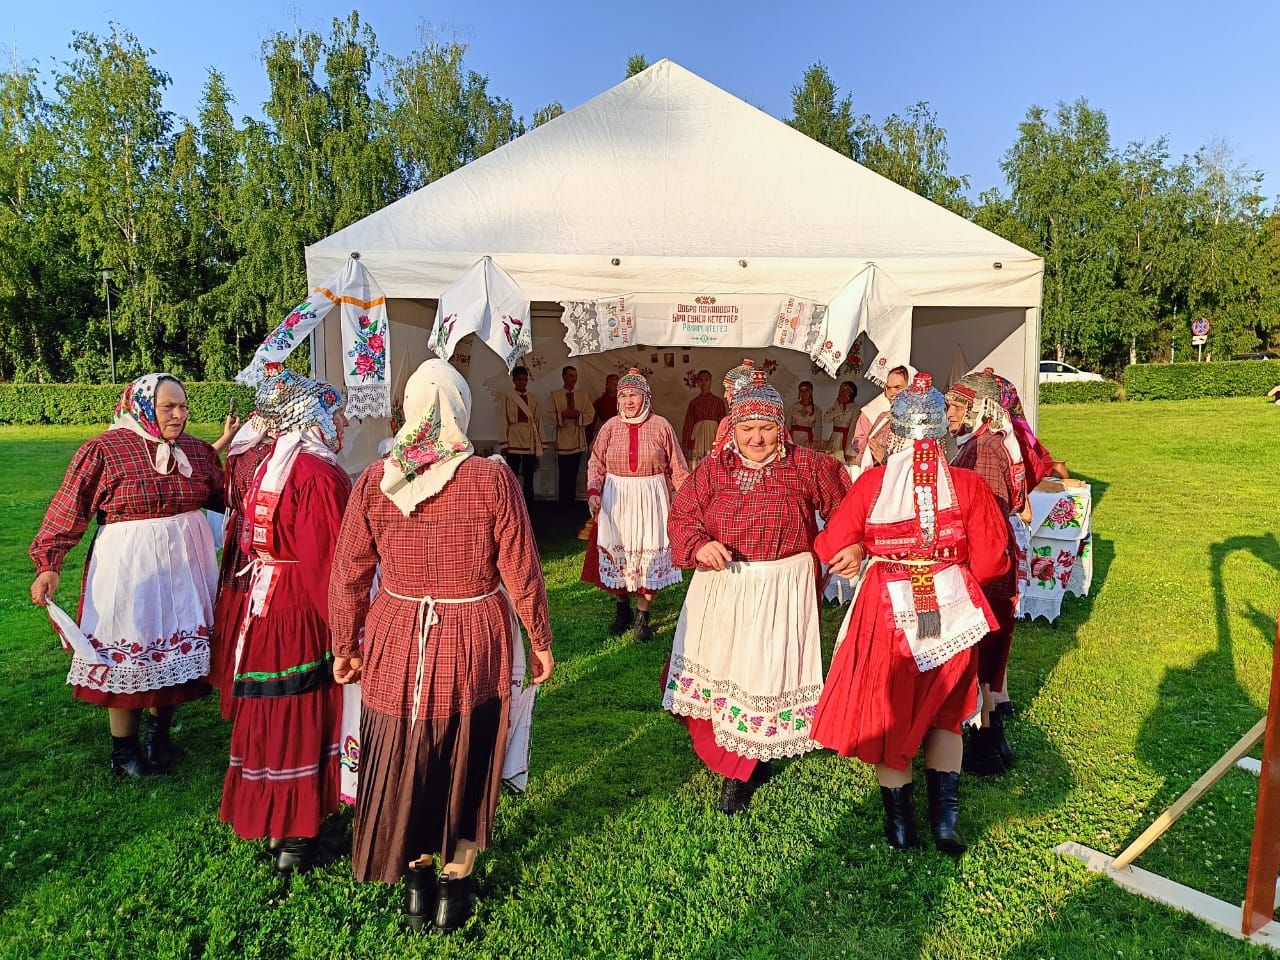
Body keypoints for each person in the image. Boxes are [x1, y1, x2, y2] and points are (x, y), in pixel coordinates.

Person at [329, 358, 554, 933]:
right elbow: (521, 568)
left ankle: (417, 877)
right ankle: (455, 881)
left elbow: (348, 572)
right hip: (471, 634)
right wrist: (540, 637)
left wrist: (344, 642)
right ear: (459, 410)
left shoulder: (377, 479)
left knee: (407, 748)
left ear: (409, 410)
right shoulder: (490, 478)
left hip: (395, 634)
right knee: (468, 745)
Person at [812, 374, 1011, 855]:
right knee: (947, 713)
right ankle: (945, 823)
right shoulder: (967, 485)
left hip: (887, 610)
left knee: (892, 710)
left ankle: (900, 828)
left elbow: (828, 544)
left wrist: (865, 547)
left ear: (895, 435)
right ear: (944, 434)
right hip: (949, 606)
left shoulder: (874, 485)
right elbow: (992, 563)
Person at [29, 374, 235, 776]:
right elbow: (70, 507)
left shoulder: (194, 449)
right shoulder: (104, 450)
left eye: (183, 406)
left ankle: (160, 735)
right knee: (130, 651)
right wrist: (49, 563)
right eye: (168, 407)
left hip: (185, 567)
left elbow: (224, 496)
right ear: (141, 406)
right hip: (130, 567)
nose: (178, 415)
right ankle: (123, 753)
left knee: (172, 647)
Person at [665, 371, 851, 814]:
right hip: (723, 584)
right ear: (734, 427)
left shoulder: (808, 465)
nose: (757, 439)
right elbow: (683, 516)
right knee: (725, 667)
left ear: (781, 427)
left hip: (781, 586)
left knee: (763, 672)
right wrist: (698, 544)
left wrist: (850, 544)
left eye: (766, 428)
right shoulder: (712, 469)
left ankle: (742, 769)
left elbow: (845, 508)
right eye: (747, 429)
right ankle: (738, 757)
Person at [220, 368, 351, 874]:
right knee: (300, 710)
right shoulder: (316, 475)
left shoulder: (276, 463)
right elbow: (327, 561)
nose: (340, 423)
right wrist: (346, 625)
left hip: (268, 604)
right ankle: (298, 837)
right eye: (332, 411)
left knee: (272, 710)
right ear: (309, 413)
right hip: (300, 607)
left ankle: (280, 825)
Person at [945, 371, 1024, 775]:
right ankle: (992, 743)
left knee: (983, 647)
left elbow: (986, 516)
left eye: (957, 405)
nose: (949, 413)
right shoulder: (982, 444)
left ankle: (987, 747)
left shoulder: (986, 451)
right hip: (990, 556)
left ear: (980, 409)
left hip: (987, 560)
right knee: (987, 650)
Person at [583, 368, 690, 643]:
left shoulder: (661, 426)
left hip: (651, 498)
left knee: (648, 556)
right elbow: (596, 462)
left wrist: (687, 499)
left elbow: (678, 466)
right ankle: (622, 609)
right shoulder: (609, 427)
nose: (629, 401)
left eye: (635, 395)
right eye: (625, 395)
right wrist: (594, 490)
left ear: (646, 397)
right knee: (619, 553)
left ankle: (643, 615)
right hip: (617, 498)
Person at [210, 410, 275, 719]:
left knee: (241, 611)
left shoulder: (244, 446)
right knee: (254, 611)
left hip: (242, 537)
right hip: (259, 544)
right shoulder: (270, 453)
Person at [547, 365, 595, 508]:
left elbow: (590, 415)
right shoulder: (555, 395)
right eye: (570, 376)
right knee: (563, 474)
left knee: (574, 473)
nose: (572, 379)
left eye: (575, 376)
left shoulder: (583, 395)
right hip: (562, 438)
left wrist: (579, 416)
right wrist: (562, 416)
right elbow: (549, 416)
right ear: (563, 376)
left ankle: (571, 503)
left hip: (577, 437)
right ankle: (563, 504)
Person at [499, 365, 543, 503]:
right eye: (519, 379)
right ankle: (512, 502)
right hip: (513, 440)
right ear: (514, 380)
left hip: (529, 440)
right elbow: (503, 419)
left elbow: (537, 420)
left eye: (525, 379)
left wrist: (540, 442)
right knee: (513, 474)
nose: (522, 382)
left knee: (529, 475)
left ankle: (529, 503)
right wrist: (504, 442)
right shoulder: (507, 397)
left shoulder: (533, 398)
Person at [854, 364, 911, 469]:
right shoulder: (884, 417)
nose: (892, 393)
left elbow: (921, 462)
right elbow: (865, 450)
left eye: (898, 387)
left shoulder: (921, 423)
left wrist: (886, 459)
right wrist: (869, 456)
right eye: (888, 388)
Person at [709, 358, 757, 458]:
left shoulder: (727, 422)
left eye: (727, 390)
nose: (725, 395)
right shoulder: (726, 422)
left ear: (738, 392)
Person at [680, 370, 728, 468]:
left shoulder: (718, 402)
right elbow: (689, 424)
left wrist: (724, 440)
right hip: (698, 436)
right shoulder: (694, 403)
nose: (704, 382)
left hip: (714, 435)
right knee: (698, 464)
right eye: (701, 380)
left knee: (714, 462)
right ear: (697, 382)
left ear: (710, 381)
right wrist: (687, 443)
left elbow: (724, 423)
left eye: (706, 379)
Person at [825, 381, 861, 465]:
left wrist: (849, 450)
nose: (842, 391)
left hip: (846, 439)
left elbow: (852, 429)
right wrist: (837, 403)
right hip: (834, 440)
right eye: (841, 389)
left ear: (851, 392)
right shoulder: (836, 406)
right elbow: (826, 419)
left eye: (845, 389)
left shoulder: (855, 408)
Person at [787, 380, 823, 449]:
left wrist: (815, 445)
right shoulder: (793, 407)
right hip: (794, 438)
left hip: (808, 440)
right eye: (801, 391)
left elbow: (818, 429)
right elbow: (787, 425)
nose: (804, 393)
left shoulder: (817, 410)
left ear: (811, 392)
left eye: (806, 390)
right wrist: (787, 441)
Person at [590, 373, 620, 442]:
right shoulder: (600, 402)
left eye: (617, 384)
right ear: (607, 385)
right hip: (605, 432)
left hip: (621, 432)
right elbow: (592, 421)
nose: (615, 386)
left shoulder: (624, 400)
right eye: (613, 384)